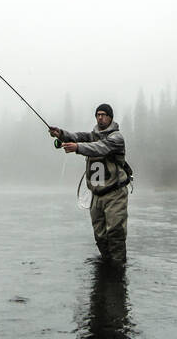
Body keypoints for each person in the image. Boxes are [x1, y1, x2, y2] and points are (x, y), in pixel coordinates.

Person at [49, 104, 130, 267]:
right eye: (98, 115)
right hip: (97, 195)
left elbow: (99, 148)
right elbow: (77, 136)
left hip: (115, 193)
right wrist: (61, 134)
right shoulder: (92, 135)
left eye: (104, 115)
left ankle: (118, 267)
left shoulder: (117, 138)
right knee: (100, 236)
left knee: (115, 233)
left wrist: (77, 148)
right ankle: (107, 265)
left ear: (110, 118)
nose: (100, 117)